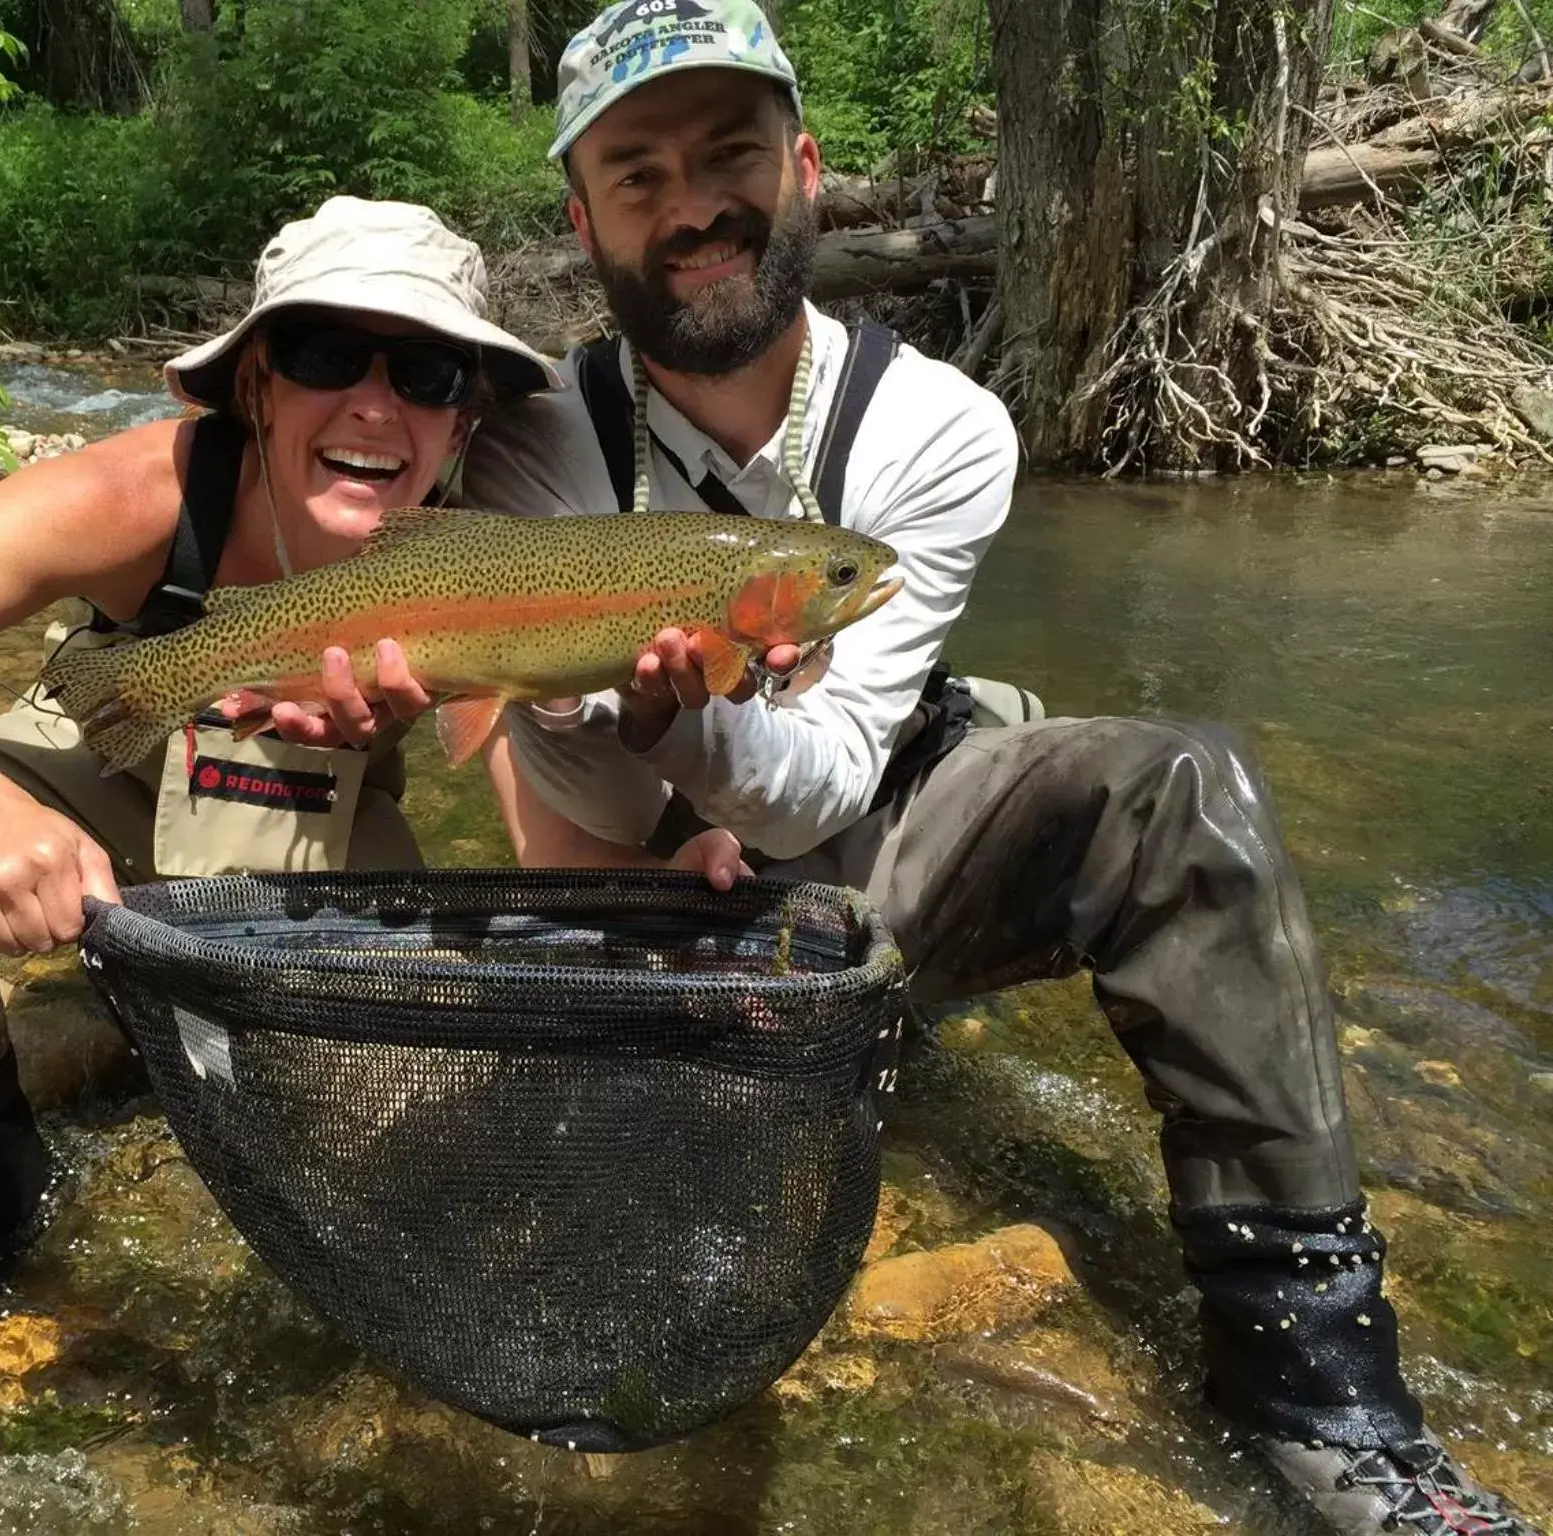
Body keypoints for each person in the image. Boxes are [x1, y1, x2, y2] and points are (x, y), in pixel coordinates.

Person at [431, 3, 1540, 1532]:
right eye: (638, 175)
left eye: (729, 153)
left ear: (805, 165)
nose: (692, 205)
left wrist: (690, 709)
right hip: (655, 894)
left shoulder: (940, 428)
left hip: (875, 858)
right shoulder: (533, 449)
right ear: (584, 217)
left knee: (1180, 782)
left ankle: (1323, 1392)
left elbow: (823, 786)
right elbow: (601, 819)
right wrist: (597, 711)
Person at [0, 196, 564, 1394]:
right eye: (326, 357)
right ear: (256, 382)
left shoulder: (501, 543)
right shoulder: (133, 495)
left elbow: (524, 746)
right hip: (103, 745)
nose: (375, 404)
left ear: (462, 409)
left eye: (421, 370)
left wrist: (601, 909)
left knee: (404, 1139)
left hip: (320, 801)